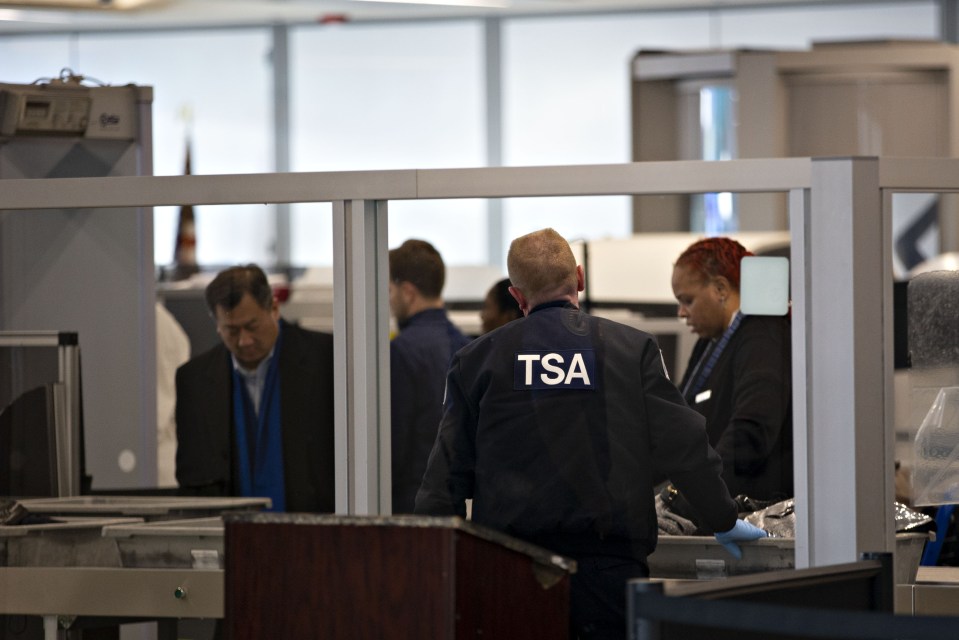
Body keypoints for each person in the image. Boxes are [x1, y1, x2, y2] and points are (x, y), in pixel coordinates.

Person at [414, 228, 765, 639]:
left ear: (518, 296)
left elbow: (444, 479)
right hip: (608, 572)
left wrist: (436, 575)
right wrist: (723, 518)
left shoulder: (477, 361)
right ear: (578, 278)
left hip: (510, 572)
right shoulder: (631, 350)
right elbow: (684, 447)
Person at [175, 264, 335, 513]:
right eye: (232, 330)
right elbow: (193, 480)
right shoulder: (194, 381)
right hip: (229, 536)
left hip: (314, 530)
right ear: (216, 324)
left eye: (252, 326)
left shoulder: (326, 360)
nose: (244, 340)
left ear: (274, 308)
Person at [671, 237, 793, 503]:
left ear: (720, 288)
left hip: (751, 507)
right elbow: (680, 415)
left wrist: (700, 493)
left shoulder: (764, 334)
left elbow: (751, 432)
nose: (682, 312)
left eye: (687, 300)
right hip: (721, 501)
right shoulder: (709, 342)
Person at [389, 239, 471, 514]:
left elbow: (395, 446)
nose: (388, 300)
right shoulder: (467, 346)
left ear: (408, 292)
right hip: (455, 505)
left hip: (409, 507)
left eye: (390, 290)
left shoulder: (401, 351)